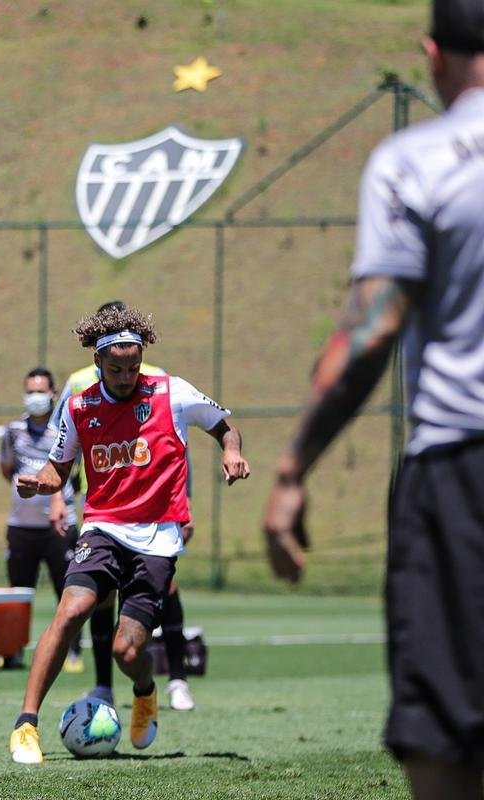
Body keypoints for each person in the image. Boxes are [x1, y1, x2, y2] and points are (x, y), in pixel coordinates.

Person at [263, 3, 484, 797]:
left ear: (432, 55)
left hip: (462, 469)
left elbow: (370, 330)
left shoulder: (416, 159)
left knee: (444, 733)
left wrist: (292, 468)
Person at [9, 304, 250, 763]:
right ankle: (25, 725)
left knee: (126, 649)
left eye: (133, 366)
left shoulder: (172, 392)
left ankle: (144, 690)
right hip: (103, 527)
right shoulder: (80, 405)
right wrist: (41, 482)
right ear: (97, 363)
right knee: (71, 609)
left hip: (159, 537)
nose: (125, 376)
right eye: (116, 368)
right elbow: (58, 469)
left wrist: (232, 452)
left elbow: (224, 426)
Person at [53, 300, 198, 712]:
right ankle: (103, 685)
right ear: (97, 352)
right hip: (102, 510)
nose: (124, 374)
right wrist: (57, 498)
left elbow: (175, 445)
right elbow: (61, 449)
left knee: (164, 590)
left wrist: (184, 505)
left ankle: (177, 679)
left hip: (156, 511)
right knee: (98, 596)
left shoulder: (158, 381)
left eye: (130, 364)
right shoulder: (78, 385)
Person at [0, 366, 82, 671]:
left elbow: (72, 472)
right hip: (21, 526)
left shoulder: (65, 429)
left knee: (69, 590)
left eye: (40, 391)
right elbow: (8, 469)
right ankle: (12, 652)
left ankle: (72, 652)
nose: (35, 397)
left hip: (59, 526)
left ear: (53, 394)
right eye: (30, 391)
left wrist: (55, 495)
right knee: (18, 592)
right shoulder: (13, 431)